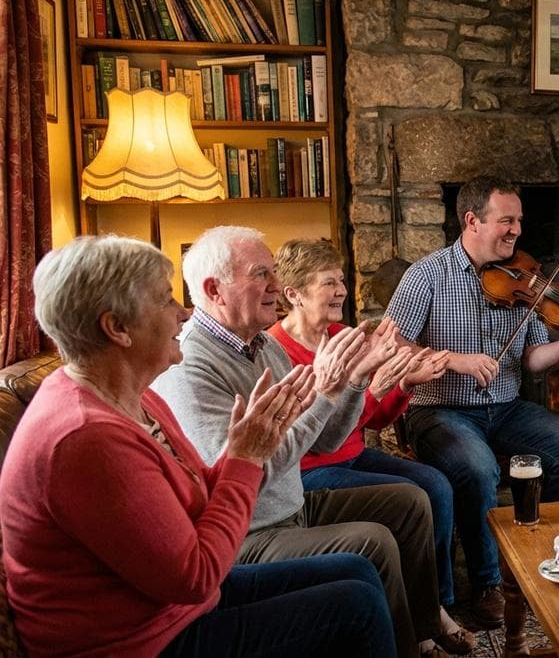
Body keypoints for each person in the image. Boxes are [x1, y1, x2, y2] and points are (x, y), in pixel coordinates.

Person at [0, 235, 395, 657]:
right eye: (164, 300)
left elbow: (201, 490)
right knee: (355, 604)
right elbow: (196, 577)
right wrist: (246, 457)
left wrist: (250, 446)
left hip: (172, 606)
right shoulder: (83, 436)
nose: (183, 313)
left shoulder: (137, 396)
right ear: (117, 328)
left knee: (357, 571)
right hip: (142, 638)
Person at [152, 226, 472, 657]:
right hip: (252, 531)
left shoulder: (264, 345)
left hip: (293, 505)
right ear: (215, 290)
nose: (274, 286)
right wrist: (326, 392)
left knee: (412, 501)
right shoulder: (191, 366)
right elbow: (248, 474)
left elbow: (323, 440)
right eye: (260, 274)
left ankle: (421, 628)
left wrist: (354, 382)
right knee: (373, 540)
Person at [386, 176, 559, 627]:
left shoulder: (524, 278)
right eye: (506, 221)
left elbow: (534, 360)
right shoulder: (425, 276)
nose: (516, 231)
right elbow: (392, 348)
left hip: (508, 407)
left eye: (519, 221)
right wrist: (453, 359)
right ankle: (489, 582)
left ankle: (554, 558)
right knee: (477, 469)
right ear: (473, 221)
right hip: (440, 409)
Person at [269, 238, 467, 622]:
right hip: (312, 470)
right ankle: (424, 615)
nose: (341, 290)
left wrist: (406, 385)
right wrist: (373, 387)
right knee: (414, 493)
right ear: (294, 294)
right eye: (329, 282)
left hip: (355, 455)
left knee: (437, 484)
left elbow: (374, 421)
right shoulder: (278, 351)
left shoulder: (344, 335)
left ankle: (437, 602)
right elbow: (325, 439)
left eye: (341, 280)